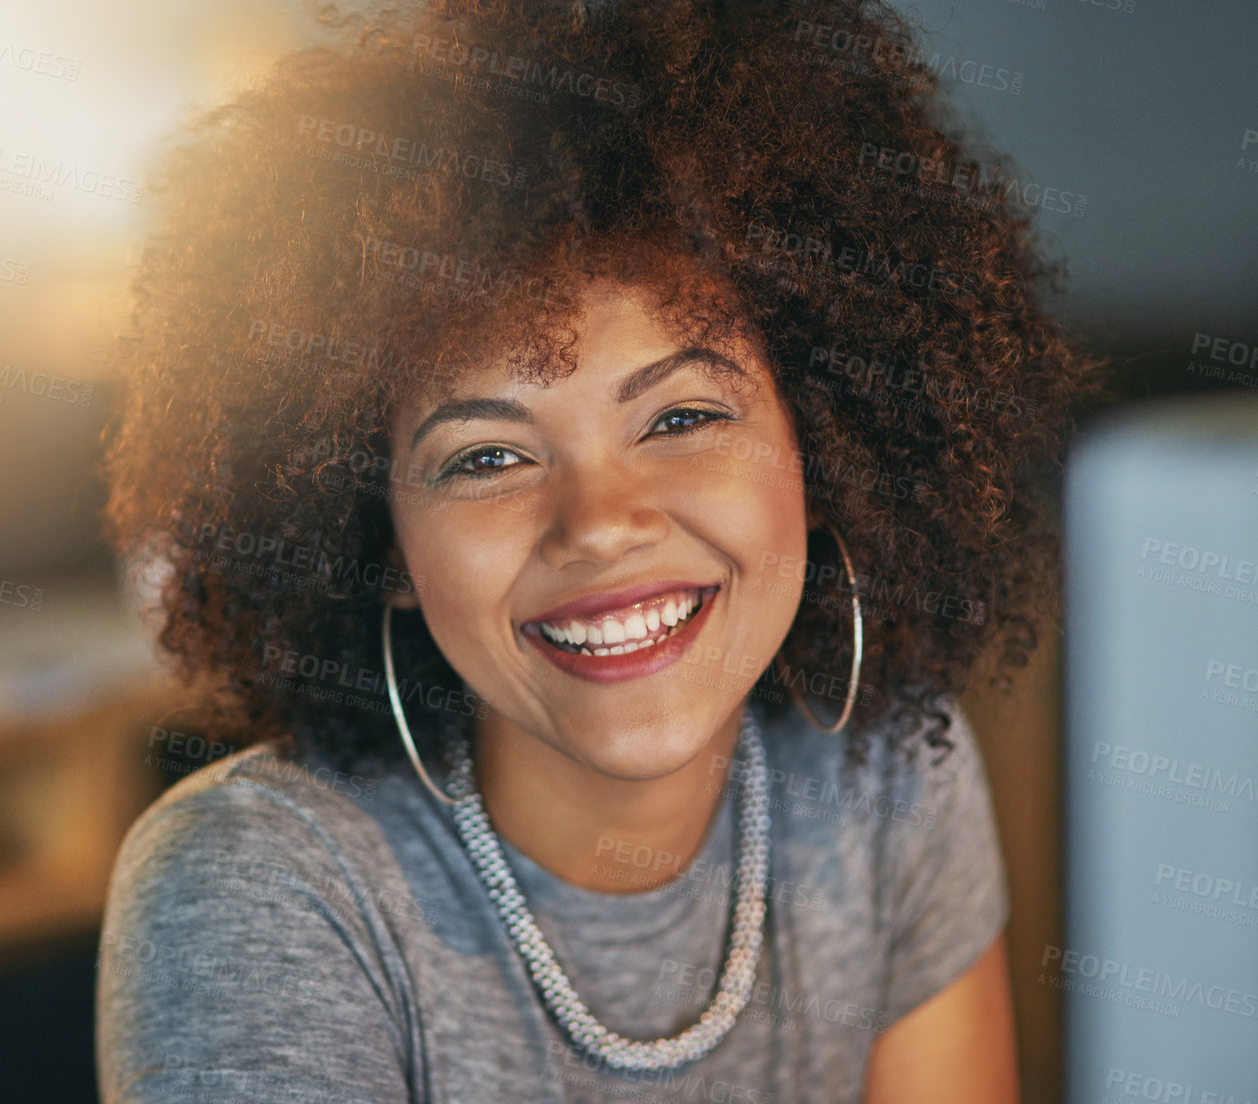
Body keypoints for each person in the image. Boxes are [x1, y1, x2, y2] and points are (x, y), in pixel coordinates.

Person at [95, 0, 1102, 1100]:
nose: (600, 523)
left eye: (680, 419)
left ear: (829, 451)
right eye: (486, 458)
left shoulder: (890, 784)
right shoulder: (260, 889)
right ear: (373, 539)